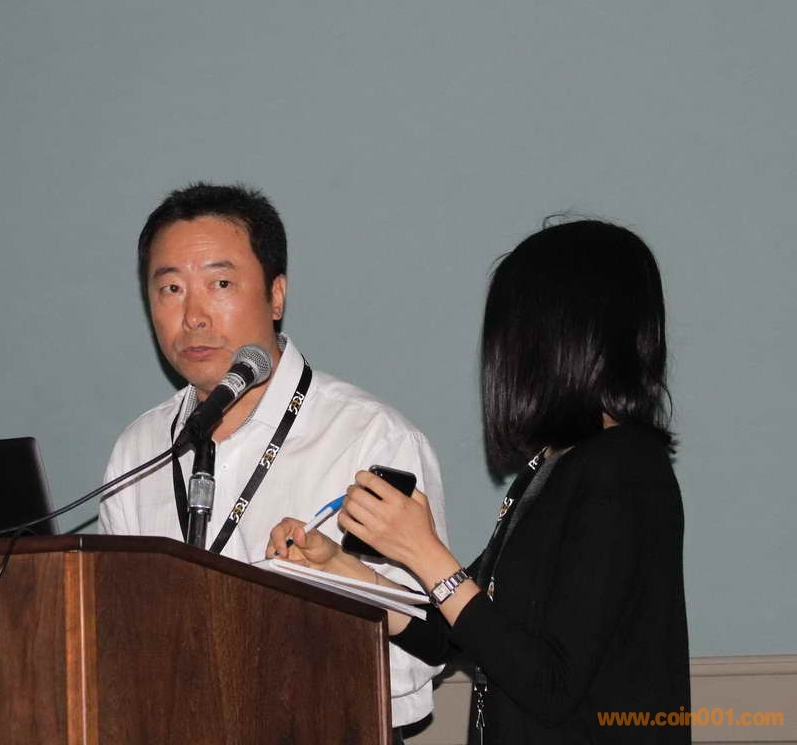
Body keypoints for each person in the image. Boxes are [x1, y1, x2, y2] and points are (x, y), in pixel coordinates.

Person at [269, 219, 690, 743]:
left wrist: (424, 552)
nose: (502, 348)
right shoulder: (553, 465)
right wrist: (340, 569)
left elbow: (551, 684)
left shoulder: (624, 469)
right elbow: (450, 633)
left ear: (566, 335)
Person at [99, 182, 449, 736]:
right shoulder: (139, 450)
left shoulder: (368, 438)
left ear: (276, 295)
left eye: (220, 284)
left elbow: (415, 662)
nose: (193, 316)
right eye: (170, 288)